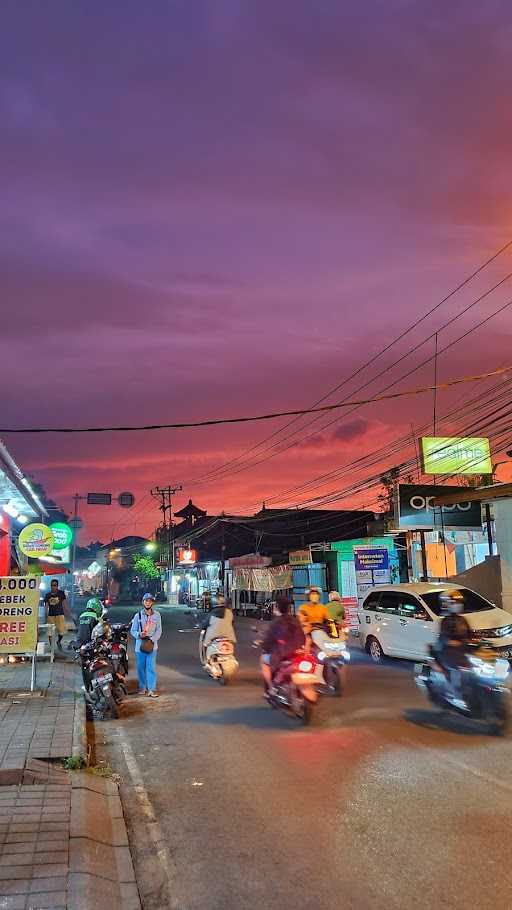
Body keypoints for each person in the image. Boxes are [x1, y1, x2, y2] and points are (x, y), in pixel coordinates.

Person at [260, 597, 305, 693]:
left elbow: (268, 640)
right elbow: (302, 637)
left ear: (277, 607)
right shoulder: (295, 621)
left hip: (281, 654)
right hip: (297, 653)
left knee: (263, 660)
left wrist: (265, 647)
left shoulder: (276, 623)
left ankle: (271, 687)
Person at [130, 593, 162, 697]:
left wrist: (152, 639)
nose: (148, 603)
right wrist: (139, 634)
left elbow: (159, 630)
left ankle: (152, 689)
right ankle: (142, 687)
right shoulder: (137, 616)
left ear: (152, 603)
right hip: (140, 646)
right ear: (143, 602)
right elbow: (133, 630)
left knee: (151, 667)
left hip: (152, 646)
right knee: (141, 667)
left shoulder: (157, 615)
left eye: (149, 601)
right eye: (146, 601)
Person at [200, 595, 236, 660]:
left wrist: (202, 626)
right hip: (228, 636)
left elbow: (204, 624)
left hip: (213, 637)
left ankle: (206, 660)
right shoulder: (229, 612)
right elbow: (232, 622)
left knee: (205, 645)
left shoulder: (211, 614)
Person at [43, 579, 69, 650]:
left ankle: (58, 641)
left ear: (57, 586)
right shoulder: (48, 595)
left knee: (62, 632)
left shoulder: (61, 593)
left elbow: (64, 604)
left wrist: (68, 613)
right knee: (50, 633)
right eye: (52, 585)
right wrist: (46, 615)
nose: (53, 587)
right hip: (51, 616)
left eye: (54, 585)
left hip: (60, 615)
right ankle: (52, 647)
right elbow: (46, 606)